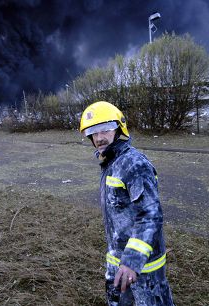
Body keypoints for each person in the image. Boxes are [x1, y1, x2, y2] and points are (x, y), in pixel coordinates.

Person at [80, 101, 174, 306]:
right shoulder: (110, 163)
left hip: (144, 267)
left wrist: (132, 261)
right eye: (93, 132)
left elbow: (150, 215)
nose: (99, 138)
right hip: (117, 262)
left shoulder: (134, 164)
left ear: (118, 128)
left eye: (105, 130)